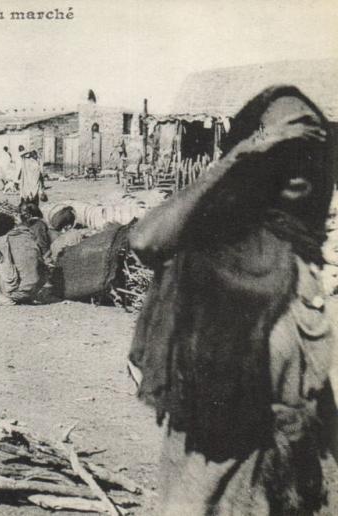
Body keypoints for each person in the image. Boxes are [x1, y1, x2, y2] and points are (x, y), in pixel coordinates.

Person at [128, 86, 338, 515]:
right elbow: (145, 239)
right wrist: (246, 152)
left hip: (288, 472)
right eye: (285, 150)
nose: (299, 166)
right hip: (213, 463)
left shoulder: (304, 255)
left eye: (310, 151)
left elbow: (312, 381)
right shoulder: (218, 240)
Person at [0, 213, 47, 306]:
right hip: (37, 288)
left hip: (18, 293)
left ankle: (9, 295)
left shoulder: (2, 239)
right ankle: (24, 294)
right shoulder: (27, 234)